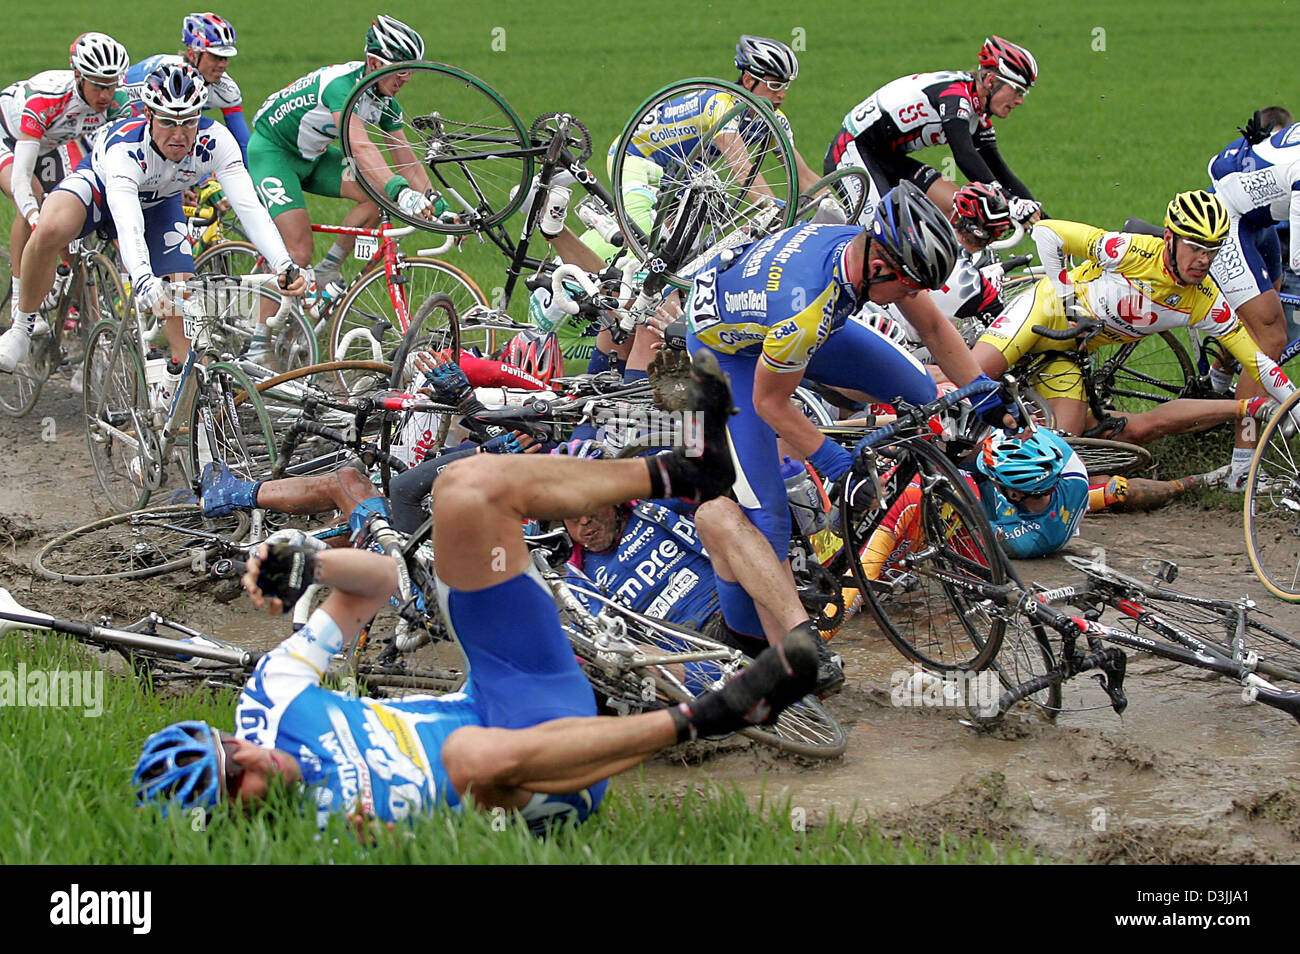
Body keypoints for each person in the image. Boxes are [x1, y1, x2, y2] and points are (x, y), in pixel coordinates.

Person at [134, 351, 819, 829]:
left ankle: (681, 470)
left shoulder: (270, 702)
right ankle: (721, 712)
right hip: (536, 784)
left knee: (463, 488)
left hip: (511, 687)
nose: (252, 759)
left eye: (231, 749)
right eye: (237, 783)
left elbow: (375, 584)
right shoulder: (313, 838)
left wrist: (315, 565)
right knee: (467, 758)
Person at [685, 181, 1019, 692]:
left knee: (918, 388)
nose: (911, 296)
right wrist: (836, 463)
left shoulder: (870, 252)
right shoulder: (807, 306)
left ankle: (924, 509)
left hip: (789, 322)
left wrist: (980, 389)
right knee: (766, 515)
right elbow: (769, 403)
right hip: (731, 357)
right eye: (908, 286)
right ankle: (757, 642)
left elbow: (931, 328)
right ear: (880, 266)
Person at [2, 63, 303, 378]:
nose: (178, 134)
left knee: (180, 311)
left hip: (159, 204)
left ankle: (182, 412)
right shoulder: (126, 148)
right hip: (101, 191)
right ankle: (21, 327)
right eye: (168, 122)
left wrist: (283, 262)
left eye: (188, 122)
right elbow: (126, 217)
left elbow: (248, 206)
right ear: (148, 115)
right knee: (50, 226)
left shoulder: (216, 141)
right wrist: (143, 276)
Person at [971, 191, 1296, 447]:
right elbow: (1046, 233)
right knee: (967, 379)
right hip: (1043, 313)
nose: (1204, 260)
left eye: (1213, 250)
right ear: (1170, 238)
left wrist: (1294, 405)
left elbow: (1257, 362)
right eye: (1196, 248)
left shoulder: (1204, 301)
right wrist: (1070, 307)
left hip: (1068, 355)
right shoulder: (1130, 251)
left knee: (1056, 449)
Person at [247, 15, 436, 293]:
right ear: (374, 64)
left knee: (379, 195)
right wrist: (402, 191)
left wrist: (438, 206)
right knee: (297, 254)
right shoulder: (341, 87)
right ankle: (261, 336)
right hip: (274, 155)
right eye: (400, 71)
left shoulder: (384, 101)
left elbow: (406, 158)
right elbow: (359, 147)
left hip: (315, 157)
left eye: (410, 71)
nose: (406, 79)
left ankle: (327, 271)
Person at [825, 35, 1041, 225]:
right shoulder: (955, 96)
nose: (1020, 101)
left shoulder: (979, 115)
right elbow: (964, 156)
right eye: (1017, 91)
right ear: (991, 80)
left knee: (961, 212)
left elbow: (1000, 172)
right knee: (882, 228)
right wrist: (1007, 200)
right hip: (852, 150)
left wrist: (1047, 223)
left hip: (888, 158)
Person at [0, 33, 131, 326]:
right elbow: (21, 176)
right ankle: (21, 306)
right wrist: (37, 219)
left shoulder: (116, 104)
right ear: (78, 76)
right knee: (32, 200)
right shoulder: (48, 100)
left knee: (72, 235)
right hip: (7, 136)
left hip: (49, 142)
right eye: (98, 86)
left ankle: (95, 332)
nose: (106, 96)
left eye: (111, 86)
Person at [1208, 112, 1300, 489]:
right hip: (1232, 218)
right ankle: (1242, 472)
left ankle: (1214, 383)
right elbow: (1299, 257)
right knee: (1270, 337)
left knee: (1261, 308)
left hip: (1254, 218)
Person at [124, 13, 249, 161]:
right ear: (192, 54)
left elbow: (243, 143)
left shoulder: (227, 90)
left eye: (225, 58)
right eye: (215, 57)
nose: (222, 65)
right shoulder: (167, 78)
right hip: (124, 104)